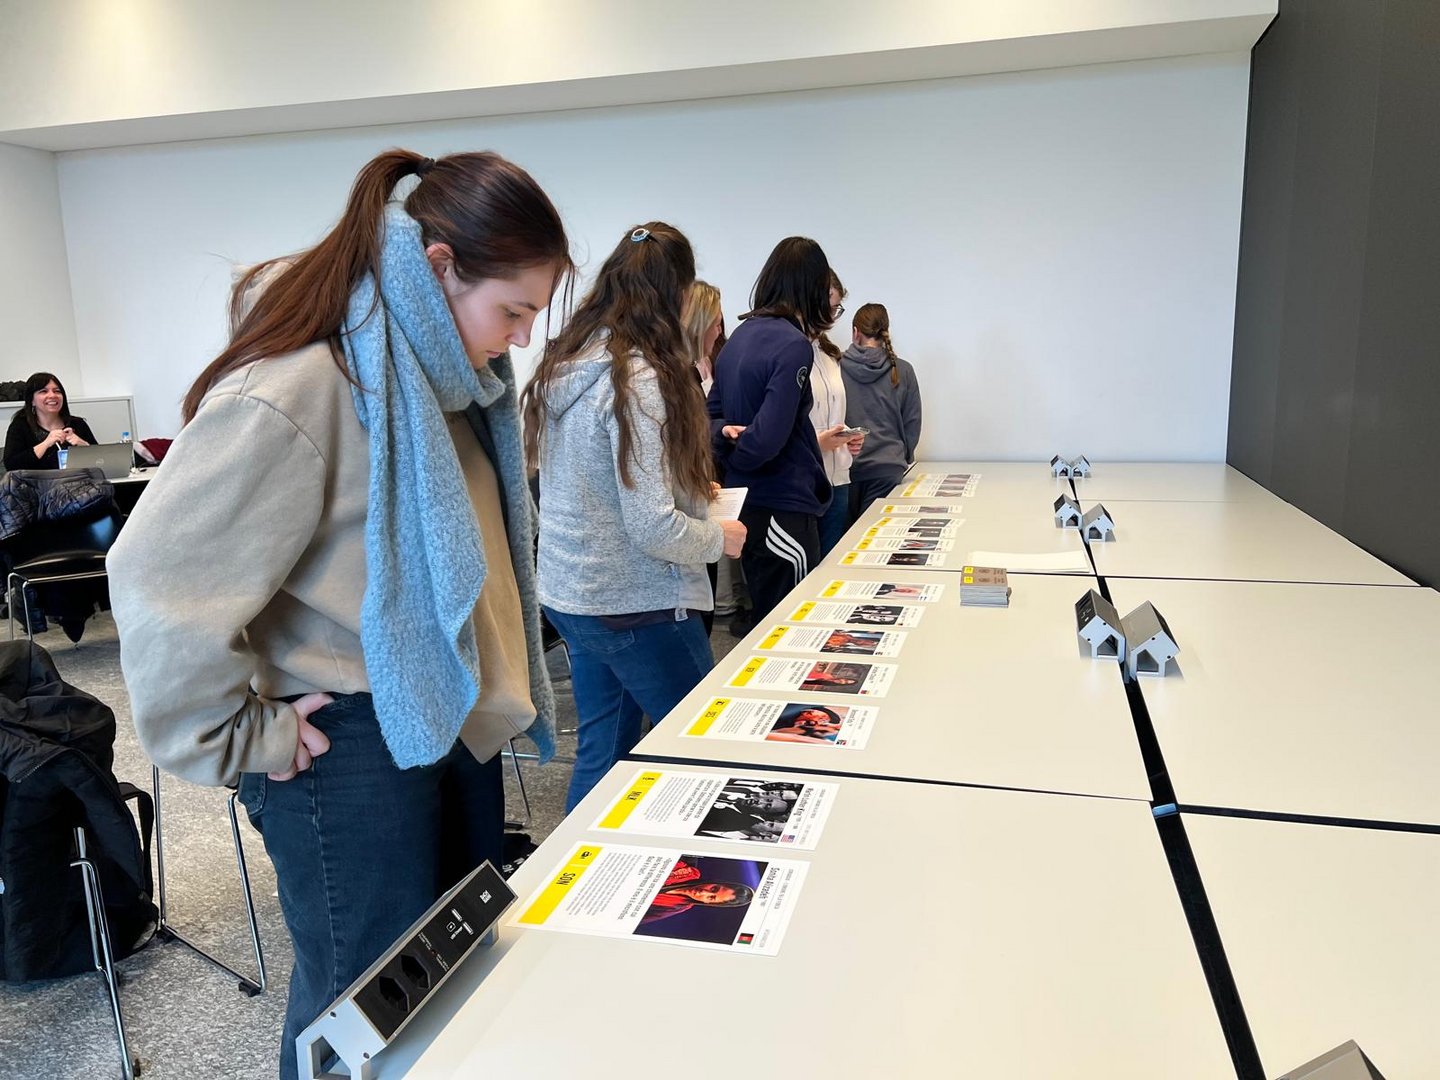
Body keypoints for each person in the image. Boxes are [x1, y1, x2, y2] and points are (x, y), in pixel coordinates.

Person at [107, 149, 570, 1080]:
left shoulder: (443, 385)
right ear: (440, 267)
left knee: (437, 1000)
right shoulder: (304, 385)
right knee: (355, 1019)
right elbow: (157, 573)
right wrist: (243, 737)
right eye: (513, 311)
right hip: (345, 749)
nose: (520, 339)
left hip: (440, 720)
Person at [524, 223, 745, 812]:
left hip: (574, 595)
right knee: (700, 749)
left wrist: (686, 490)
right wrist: (716, 537)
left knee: (604, 752)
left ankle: (584, 866)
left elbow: (598, 485)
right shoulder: (640, 379)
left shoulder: (568, 363)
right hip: (635, 602)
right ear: (676, 293)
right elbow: (651, 526)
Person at [708, 237, 836, 622]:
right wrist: (743, 448)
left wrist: (728, 440)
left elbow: (709, 420)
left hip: (746, 502)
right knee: (795, 620)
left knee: (768, 618)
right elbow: (766, 438)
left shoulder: (739, 338)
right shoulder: (793, 344)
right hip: (781, 502)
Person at [841, 303, 923, 517]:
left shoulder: (835, 366)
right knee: (875, 535)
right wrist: (902, 456)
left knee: (844, 537)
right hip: (888, 469)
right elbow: (912, 423)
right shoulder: (903, 369)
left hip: (845, 470)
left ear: (855, 332)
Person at [810, 271, 865, 554]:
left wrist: (848, 437)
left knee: (831, 563)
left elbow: (834, 413)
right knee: (808, 569)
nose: (832, 316)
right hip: (808, 480)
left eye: (837, 308)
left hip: (839, 478)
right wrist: (817, 443)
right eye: (830, 306)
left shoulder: (830, 355)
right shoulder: (790, 352)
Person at [3, 372, 97, 471]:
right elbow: (11, 465)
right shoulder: (20, 426)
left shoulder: (78, 424)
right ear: (32, 400)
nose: (52, 395)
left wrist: (83, 445)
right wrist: (46, 443)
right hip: (36, 481)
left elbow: (101, 461)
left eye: (57, 391)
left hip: (77, 479)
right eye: (44, 391)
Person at [640, 858, 755, 924]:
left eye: (711, 897)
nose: (703, 892)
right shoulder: (687, 867)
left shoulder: (677, 907)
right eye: (714, 888)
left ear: (709, 903)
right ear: (716, 882)